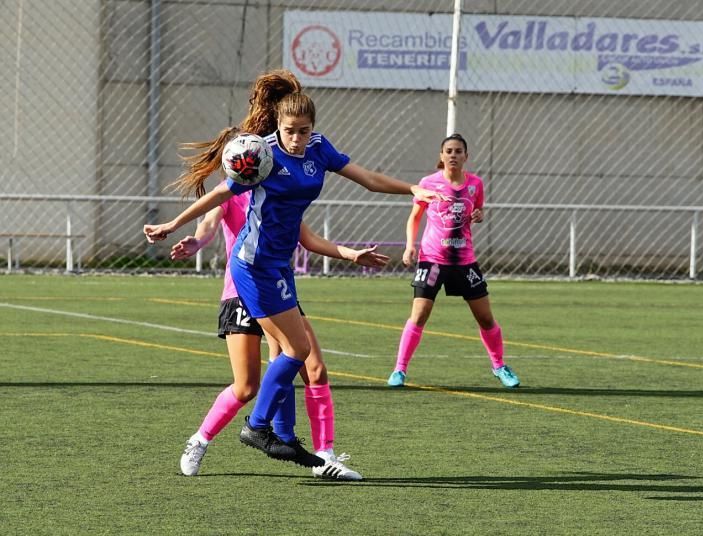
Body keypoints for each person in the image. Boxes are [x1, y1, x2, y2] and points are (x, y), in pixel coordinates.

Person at [144, 69, 444, 470]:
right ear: (278, 126)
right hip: (252, 266)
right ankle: (257, 427)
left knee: (293, 355)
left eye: (303, 130)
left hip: (279, 267)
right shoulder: (262, 154)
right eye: (290, 131)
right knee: (296, 352)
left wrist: (411, 189)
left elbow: (367, 179)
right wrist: (171, 225)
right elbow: (219, 194)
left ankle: (290, 440)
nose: (297, 138)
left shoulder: (319, 149)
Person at [172, 187, 388, 480]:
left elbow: (308, 238)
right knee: (246, 387)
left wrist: (351, 254)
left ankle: (324, 457)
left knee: (315, 369)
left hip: (278, 292)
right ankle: (200, 440)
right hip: (240, 293)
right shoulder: (231, 191)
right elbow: (209, 224)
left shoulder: (281, 190)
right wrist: (196, 242)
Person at [387, 133, 520, 389]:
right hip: (432, 259)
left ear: (465, 156)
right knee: (419, 314)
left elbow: (477, 211)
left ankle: (499, 366)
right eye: (448, 151)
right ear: (441, 156)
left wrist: (479, 215)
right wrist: (409, 247)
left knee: (485, 318)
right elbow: (414, 217)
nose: (453, 155)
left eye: (458, 151)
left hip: (464, 260)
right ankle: (399, 370)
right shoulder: (428, 183)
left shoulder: (475, 184)